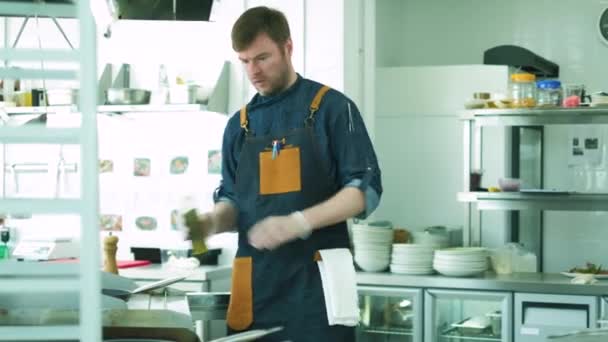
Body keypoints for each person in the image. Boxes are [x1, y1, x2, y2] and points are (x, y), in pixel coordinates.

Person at [185, 6, 382, 341]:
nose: (253, 71)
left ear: (287, 47)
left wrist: (298, 222)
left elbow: (364, 190)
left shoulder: (333, 108)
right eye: (244, 61)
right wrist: (213, 222)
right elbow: (233, 199)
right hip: (257, 288)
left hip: (318, 290)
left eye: (262, 58)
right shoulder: (240, 125)